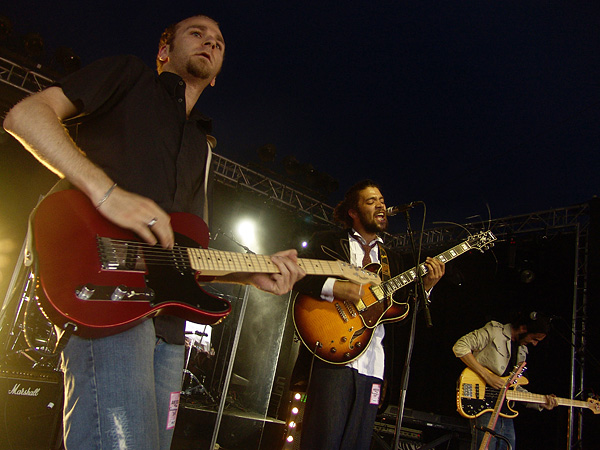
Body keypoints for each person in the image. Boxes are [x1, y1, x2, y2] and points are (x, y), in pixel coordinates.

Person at [3, 14, 305, 450]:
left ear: (217, 77)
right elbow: (26, 116)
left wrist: (248, 275)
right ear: (164, 50)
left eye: (219, 42)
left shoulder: (202, 148)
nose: (211, 43)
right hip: (106, 298)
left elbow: (181, 252)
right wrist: (107, 193)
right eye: (197, 34)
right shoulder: (128, 76)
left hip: (169, 327)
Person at [291, 179, 446, 450]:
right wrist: (337, 288)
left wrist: (427, 289)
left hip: (373, 364)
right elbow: (297, 276)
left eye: (382, 201)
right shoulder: (327, 241)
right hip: (334, 353)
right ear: (353, 211)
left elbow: (398, 314)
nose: (381, 205)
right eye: (371, 201)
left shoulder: (392, 259)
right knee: (323, 441)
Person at [452, 312, 559, 450]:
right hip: (482, 402)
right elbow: (460, 346)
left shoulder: (522, 351)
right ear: (523, 328)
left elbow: (514, 388)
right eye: (534, 339)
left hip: (504, 407)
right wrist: (487, 376)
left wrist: (542, 402)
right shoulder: (494, 331)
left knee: (508, 445)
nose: (534, 344)